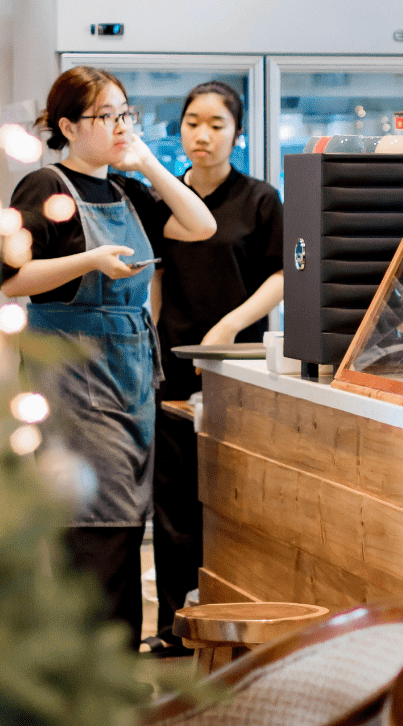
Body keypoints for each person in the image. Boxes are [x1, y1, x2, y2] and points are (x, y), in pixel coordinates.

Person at [0, 67, 216, 648]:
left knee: (123, 524)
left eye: (125, 113)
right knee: (100, 529)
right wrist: (87, 261)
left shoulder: (127, 190)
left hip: (130, 381)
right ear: (68, 126)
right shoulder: (43, 187)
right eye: (106, 116)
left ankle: (107, 673)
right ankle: (102, 675)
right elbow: (13, 279)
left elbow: (202, 224)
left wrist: (146, 162)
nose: (120, 126)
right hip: (73, 384)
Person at [147, 81, 283, 656]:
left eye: (216, 124)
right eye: (191, 123)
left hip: (241, 367)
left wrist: (228, 328)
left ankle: (242, 623)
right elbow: (152, 279)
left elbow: (282, 277)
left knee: (237, 495)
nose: (202, 135)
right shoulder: (165, 202)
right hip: (174, 366)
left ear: (237, 132)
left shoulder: (259, 200)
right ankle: (176, 629)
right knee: (173, 499)